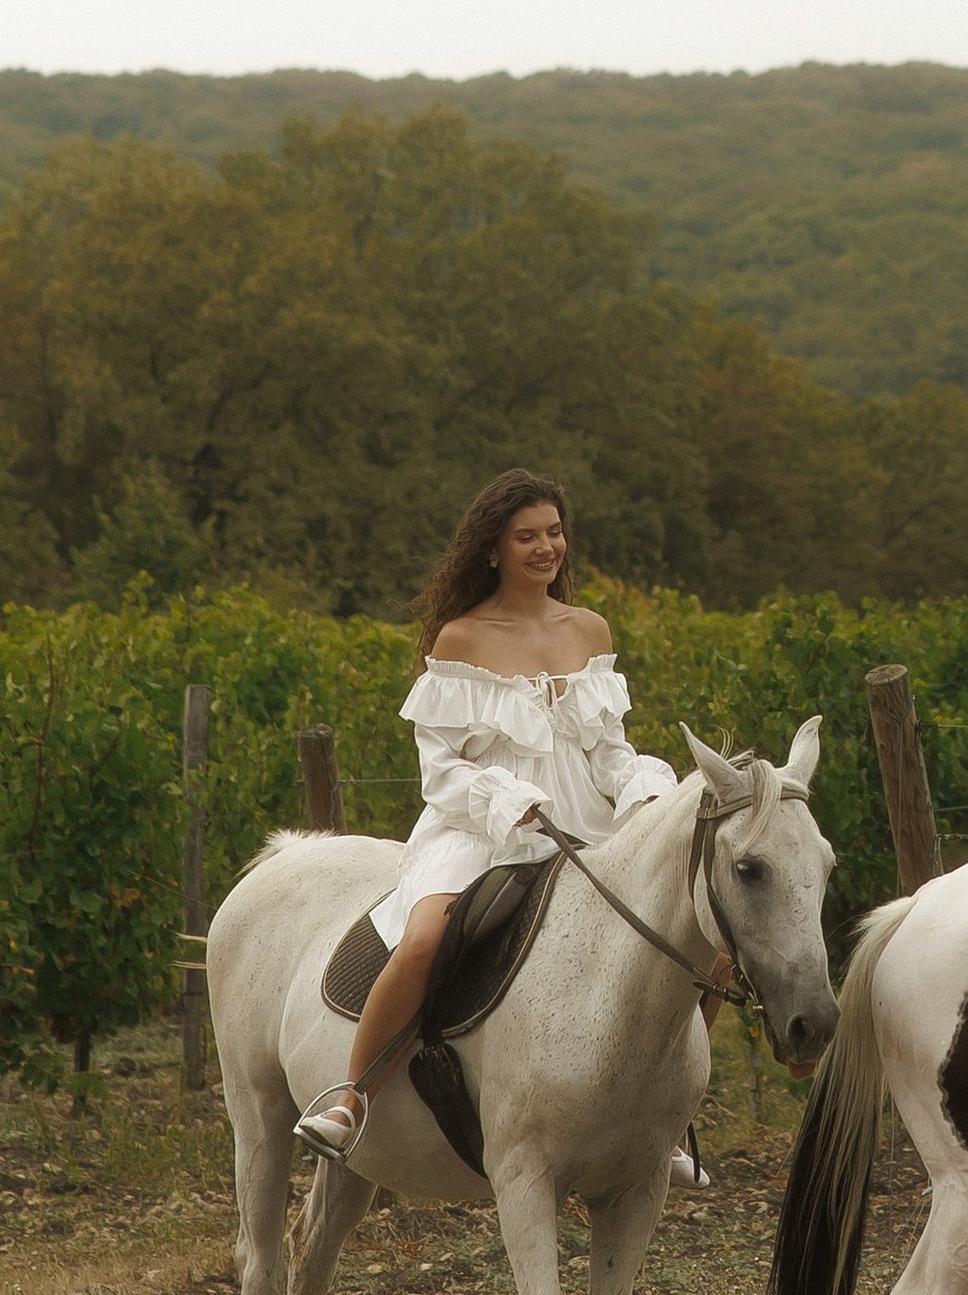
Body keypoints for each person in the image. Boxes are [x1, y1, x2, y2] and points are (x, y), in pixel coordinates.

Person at [294, 469, 705, 1168]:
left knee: (700, 945)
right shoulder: (460, 638)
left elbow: (606, 748)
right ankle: (351, 1097)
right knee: (424, 939)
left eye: (554, 533)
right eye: (526, 537)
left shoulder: (589, 629)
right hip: (478, 830)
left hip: (584, 828)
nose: (546, 548)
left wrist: (640, 788)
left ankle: (663, 1120)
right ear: (493, 549)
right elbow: (441, 772)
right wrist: (508, 800)